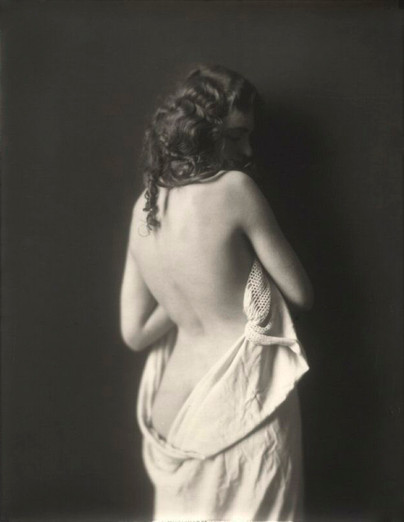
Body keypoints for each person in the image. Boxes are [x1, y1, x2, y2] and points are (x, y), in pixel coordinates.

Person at [120, 64, 313, 521]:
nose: (247, 151)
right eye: (236, 136)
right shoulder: (236, 190)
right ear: (201, 131)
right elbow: (301, 294)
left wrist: (183, 293)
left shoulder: (144, 206)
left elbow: (134, 333)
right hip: (241, 402)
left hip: (172, 406)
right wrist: (243, 277)